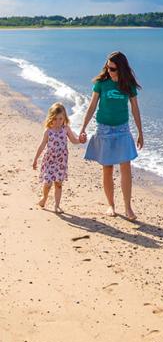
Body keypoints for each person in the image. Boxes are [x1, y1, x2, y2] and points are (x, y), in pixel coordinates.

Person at [79, 51, 143, 220]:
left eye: (113, 68)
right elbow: (92, 106)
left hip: (122, 129)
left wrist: (140, 132)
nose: (109, 71)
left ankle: (128, 208)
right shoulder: (101, 84)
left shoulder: (128, 85)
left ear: (121, 68)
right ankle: (111, 205)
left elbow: (135, 109)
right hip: (104, 129)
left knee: (126, 168)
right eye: (107, 67)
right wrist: (83, 127)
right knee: (107, 168)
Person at [33, 102, 82, 213]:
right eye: (55, 119)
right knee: (47, 183)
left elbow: (74, 140)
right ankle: (44, 198)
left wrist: (80, 140)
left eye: (61, 118)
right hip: (49, 160)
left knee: (58, 184)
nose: (58, 121)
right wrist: (35, 159)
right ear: (51, 118)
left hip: (61, 162)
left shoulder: (66, 129)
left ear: (64, 118)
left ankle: (57, 205)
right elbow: (42, 145)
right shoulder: (48, 131)